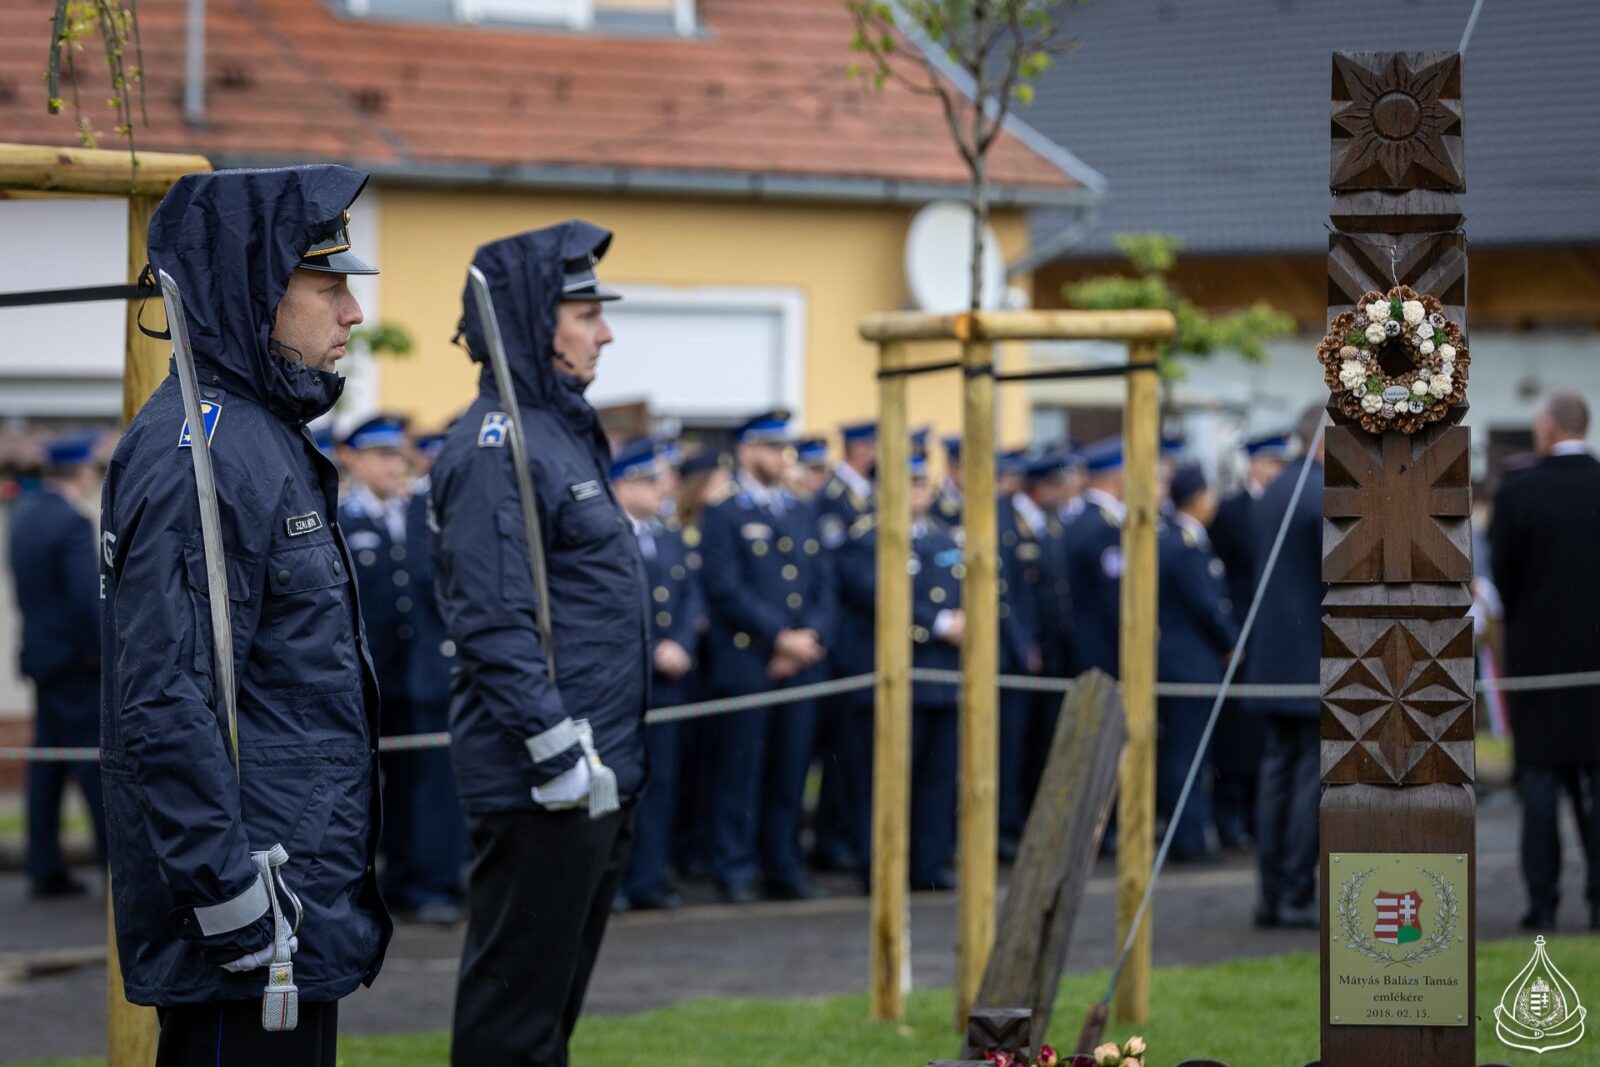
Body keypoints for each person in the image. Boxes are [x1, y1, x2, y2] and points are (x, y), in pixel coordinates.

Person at [99, 164, 391, 1064]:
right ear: (254, 285)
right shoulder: (208, 451)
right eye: (326, 282)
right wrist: (230, 898)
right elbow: (164, 701)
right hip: (248, 911)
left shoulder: (259, 436)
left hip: (289, 893)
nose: (352, 312)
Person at [431, 221, 647, 1066]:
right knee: (512, 1019)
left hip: (593, 773)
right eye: (586, 312)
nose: (606, 331)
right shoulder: (497, 443)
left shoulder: (557, 428)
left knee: (547, 1015)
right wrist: (555, 746)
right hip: (544, 781)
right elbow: (490, 616)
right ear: (530, 318)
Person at [699, 410, 834, 903]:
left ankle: (783, 864)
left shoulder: (799, 509)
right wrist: (779, 639)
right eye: (773, 448)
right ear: (747, 451)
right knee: (741, 771)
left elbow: (822, 581)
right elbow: (724, 587)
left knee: (790, 770)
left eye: (786, 449)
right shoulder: (724, 511)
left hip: (798, 664)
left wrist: (808, 638)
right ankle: (734, 867)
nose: (783, 458)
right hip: (748, 661)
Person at [1488, 390, 1600, 931]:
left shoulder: (1517, 493)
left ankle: (1543, 903)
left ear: (1551, 430)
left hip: (1537, 660)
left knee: (1538, 784)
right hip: (1596, 663)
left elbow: (1503, 579)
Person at [337, 414, 448, 921]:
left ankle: (422, 882)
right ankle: (363, 886)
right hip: (367, 677)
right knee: (361, 790)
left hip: (420, 674)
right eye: (380, 456)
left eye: (397, 456)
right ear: (353, 460)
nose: (392, 466)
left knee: (423, 784)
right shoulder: (341, 517)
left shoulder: (421, 514)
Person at [8, 430, 109, 897]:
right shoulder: (70, 522)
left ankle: (44, 865)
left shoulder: (25, 517)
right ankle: (115, 866)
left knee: (47, 767)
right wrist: (103, 655)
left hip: (41, 658)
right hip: (75, 663)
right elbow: (87, 600)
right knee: (93, 765)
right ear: (83, 473)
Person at [613, 437, 705, 911]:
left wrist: (683, 643)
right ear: (623, 484)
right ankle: (616, 882)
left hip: (668, 682)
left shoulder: (668, 536)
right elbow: (607, 608)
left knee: (661, 781)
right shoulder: (607, 535)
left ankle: (649, 877)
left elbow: (691, 597)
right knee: (620, 785)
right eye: (651, 481)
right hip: (624, 682)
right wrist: (652, 651)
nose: (662, 488)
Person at [1246, 404, 1325, 929]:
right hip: (1310, 657)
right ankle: (1296, 889)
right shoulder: (1324, 492)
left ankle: (1271, 891)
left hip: (1272, 657)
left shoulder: (1276, 488)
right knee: (1306, 779)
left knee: (1277, 774)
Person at [397, 429, 468, 924]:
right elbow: (430, 577)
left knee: (455, 784)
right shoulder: (426, 502)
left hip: (462, 661)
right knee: (433, 787)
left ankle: (446, 875)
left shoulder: (456, 500)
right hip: (438, 663)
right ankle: (429, 884)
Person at [1207, 431, 1288, 849]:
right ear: (1255, 465)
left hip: (1273, 632)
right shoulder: (1232, 510)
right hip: (1241, 630)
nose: (1276, 471)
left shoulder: (1287, 505)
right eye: (1271, 463)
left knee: (1264, 731)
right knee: (1235, 731)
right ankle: (1229, 816)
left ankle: (1259, 817)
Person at [1156, 465, 1238, 863]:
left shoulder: (1180, 539)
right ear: (1199, 498)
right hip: (1188, 663)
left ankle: (1189, 833)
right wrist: (1231, 643)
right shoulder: (1183, 545)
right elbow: (1206, 606)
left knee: (1187, 753)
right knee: (1186, 754)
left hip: (1186, 661)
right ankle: (1187, 837)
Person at [814, 420, 876, 879]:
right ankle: (835, 840)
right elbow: (840, 573)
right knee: (845, 751)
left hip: (867, 644)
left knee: (859, 752)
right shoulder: (837, 499)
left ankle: (849, 836)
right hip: (848, 643)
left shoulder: (865, 497)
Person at [907, 438, 963, 890]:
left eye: (922, 482)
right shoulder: (871, 537)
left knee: (938, 778)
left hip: (944, 675)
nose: (917, 491)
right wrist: (940, 622)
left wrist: (962, 619)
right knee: (896, 777)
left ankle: (929, 862)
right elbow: (877, 593)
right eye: (907, 483)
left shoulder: (943, 536)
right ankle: (883, 864)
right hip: (908, 671)